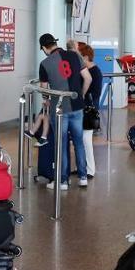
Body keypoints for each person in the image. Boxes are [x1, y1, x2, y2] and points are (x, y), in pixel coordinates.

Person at [34, 33, 92, 190]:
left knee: (61, 143)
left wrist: (46, 100)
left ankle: (63, 181)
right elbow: (88, 79)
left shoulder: (44, 63)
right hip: (77, 106)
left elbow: (44, 91)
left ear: (44, 48)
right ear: (55, 43)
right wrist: (81, 95)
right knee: (79, 142)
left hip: (59, 109)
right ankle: (82, 177)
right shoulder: (74, 56)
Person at [77, 42, 102, 178]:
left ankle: (90, 169)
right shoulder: (87, 71)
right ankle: (82, 167)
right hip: (84, 109)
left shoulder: (94, 72)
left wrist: (82, 94)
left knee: (86, 140)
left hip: (88, 111)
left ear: (85, 57)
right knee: (80, 140)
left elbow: (95, 93)